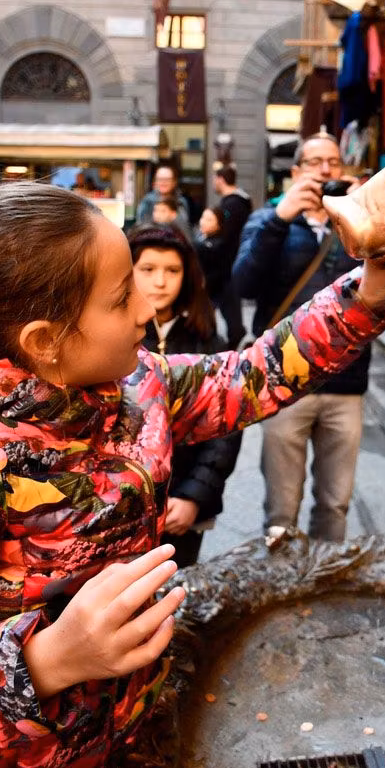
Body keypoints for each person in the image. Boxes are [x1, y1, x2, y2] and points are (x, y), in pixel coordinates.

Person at [0, 181, 385, 768]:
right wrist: (44, 660)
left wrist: (368, 294)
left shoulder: (140, 383)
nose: (148, 305)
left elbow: (252, 374)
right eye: (121, 297)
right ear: (44, 341)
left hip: (126, 744)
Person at [232, 131, 367, 542]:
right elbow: (244, 284)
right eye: (314, 163)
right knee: (281, 507)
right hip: (286, 383)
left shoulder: (357, 223)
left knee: (335, 502)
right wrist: (279, 219)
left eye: (333, 162)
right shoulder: (268, 219)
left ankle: (326, 582)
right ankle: (283, 586)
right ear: (295, 172)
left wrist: (367, 215)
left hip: (346, 383)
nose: (325, 170)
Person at [127, 222, 242, 568]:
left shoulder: (207, 340)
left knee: (178, 594)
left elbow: (227, 425)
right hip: (124, 508)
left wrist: (194, 495)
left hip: (184, 506)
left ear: (186, 274)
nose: (160, 281)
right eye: (147, 269)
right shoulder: (112, 337)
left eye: (172, 270)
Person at [194, 202, 246, 350]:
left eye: (209, 219)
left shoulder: (220, 244)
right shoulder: (200, 238)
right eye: (203, 218)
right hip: (207, 290)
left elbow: (221, 270)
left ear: (219, 224)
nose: (203, 222)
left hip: (222, 288)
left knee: (232, 325)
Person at [136, 164, 192, 238]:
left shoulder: (181, 202)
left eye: (167, 179)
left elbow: (185, 228)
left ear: (174, 182)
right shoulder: (147, 201)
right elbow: (140, 226)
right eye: (160, 179)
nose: (163, 182)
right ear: (155, 182)